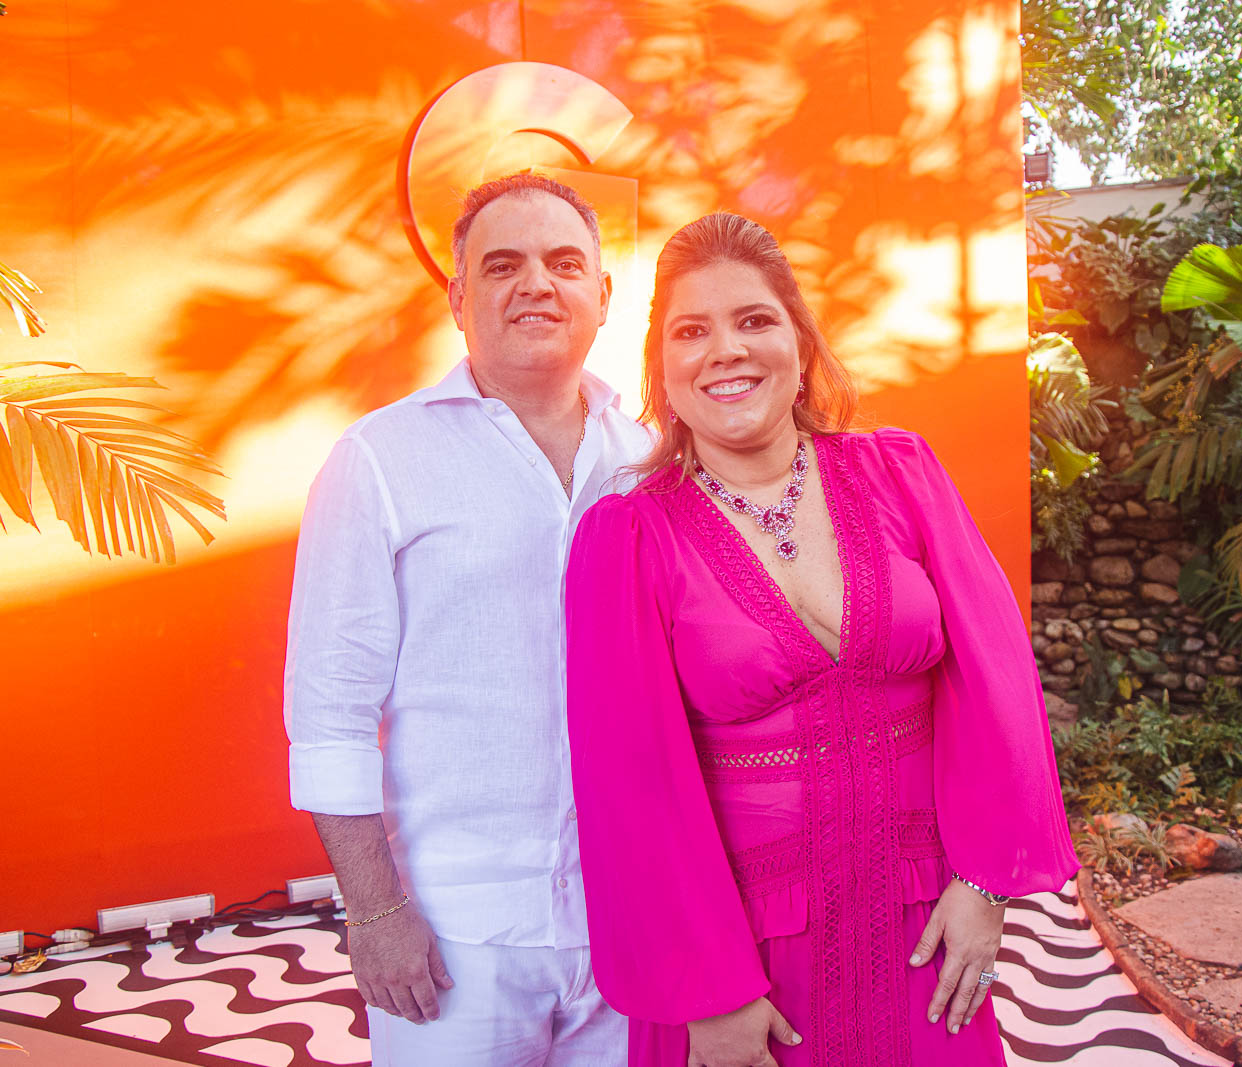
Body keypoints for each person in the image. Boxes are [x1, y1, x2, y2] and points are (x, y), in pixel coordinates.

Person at [564, 212, 1079, 1067]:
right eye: (692, 331)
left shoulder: (901, 474)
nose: (726, 350)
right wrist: (707, 992)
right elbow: (628, 786)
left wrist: (985, 883)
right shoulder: (628, 539)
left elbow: (996, 676)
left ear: (800, 345)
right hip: (744, 958)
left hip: (923, 921)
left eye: (754, 319)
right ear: (662, 367)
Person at [284, 172, 652, 1067]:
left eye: (565, 263)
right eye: (503, 264)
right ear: (458, 299)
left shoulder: (649, 458)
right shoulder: (378, 460)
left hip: (628, 918)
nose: (537, 284)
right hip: (455, 933)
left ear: (604, 295)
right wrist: (375, 911)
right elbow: (330, 715)